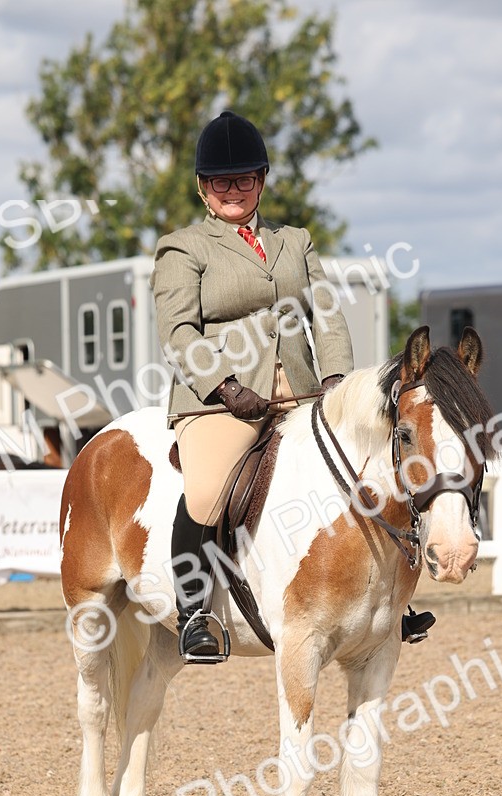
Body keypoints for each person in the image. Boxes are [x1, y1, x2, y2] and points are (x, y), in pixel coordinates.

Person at [151, 110, 354, 660]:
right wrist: (224, 385)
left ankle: (381, 603)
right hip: (221, 402)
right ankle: (194, 615)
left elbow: (327, 313)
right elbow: (177, 331)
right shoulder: (183, 248)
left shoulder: (296, 242)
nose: (234, 189)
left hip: (302, 390)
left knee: (364, 465)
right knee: (208, 492)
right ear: (203, 189)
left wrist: (336, 377)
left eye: (244, 178)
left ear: (261, 181)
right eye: (222, 181)